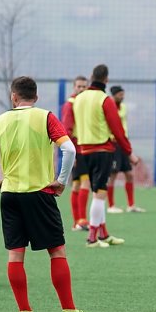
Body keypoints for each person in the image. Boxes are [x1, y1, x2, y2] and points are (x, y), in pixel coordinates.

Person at [0, 76, 95, 312]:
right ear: (35, 97)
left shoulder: (0, 120)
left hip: (10, 195)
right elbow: (69, 149)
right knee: (56, 250)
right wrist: (61, 180)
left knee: (16, 255)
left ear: (13, 97)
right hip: (39, 194)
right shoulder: (44, 117)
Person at [71, 64, 140, 247]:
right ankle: (92, 238)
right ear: (106, 80)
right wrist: (129, 153)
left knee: (95, 192)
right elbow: (118, 130)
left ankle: (103, 234)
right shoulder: (105, 100)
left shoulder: (78, 98)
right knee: (100, 194)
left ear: (91, 76)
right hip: (102, 151)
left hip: (83, 150)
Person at [106, 85, 145, 214]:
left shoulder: (123, 108)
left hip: (123, 143)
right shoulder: (108, 106)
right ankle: (111, 206)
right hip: (113, 144)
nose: (122, 97)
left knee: (129, 174)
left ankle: (131, 205)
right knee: (113, 174)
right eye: (120, 95)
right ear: (114, 95)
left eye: (123, 94)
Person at [61, 75, 91, 231]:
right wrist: (71, 153)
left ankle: (77, 222)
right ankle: (82, 220)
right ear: (74, 87)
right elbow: (66, 130)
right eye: (79, 86)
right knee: (85, 183)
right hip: (77, 149)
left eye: (84, 86)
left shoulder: (82, 104)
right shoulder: (70, 104)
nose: (81, 89)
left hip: (84, 147)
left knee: (78, 183)